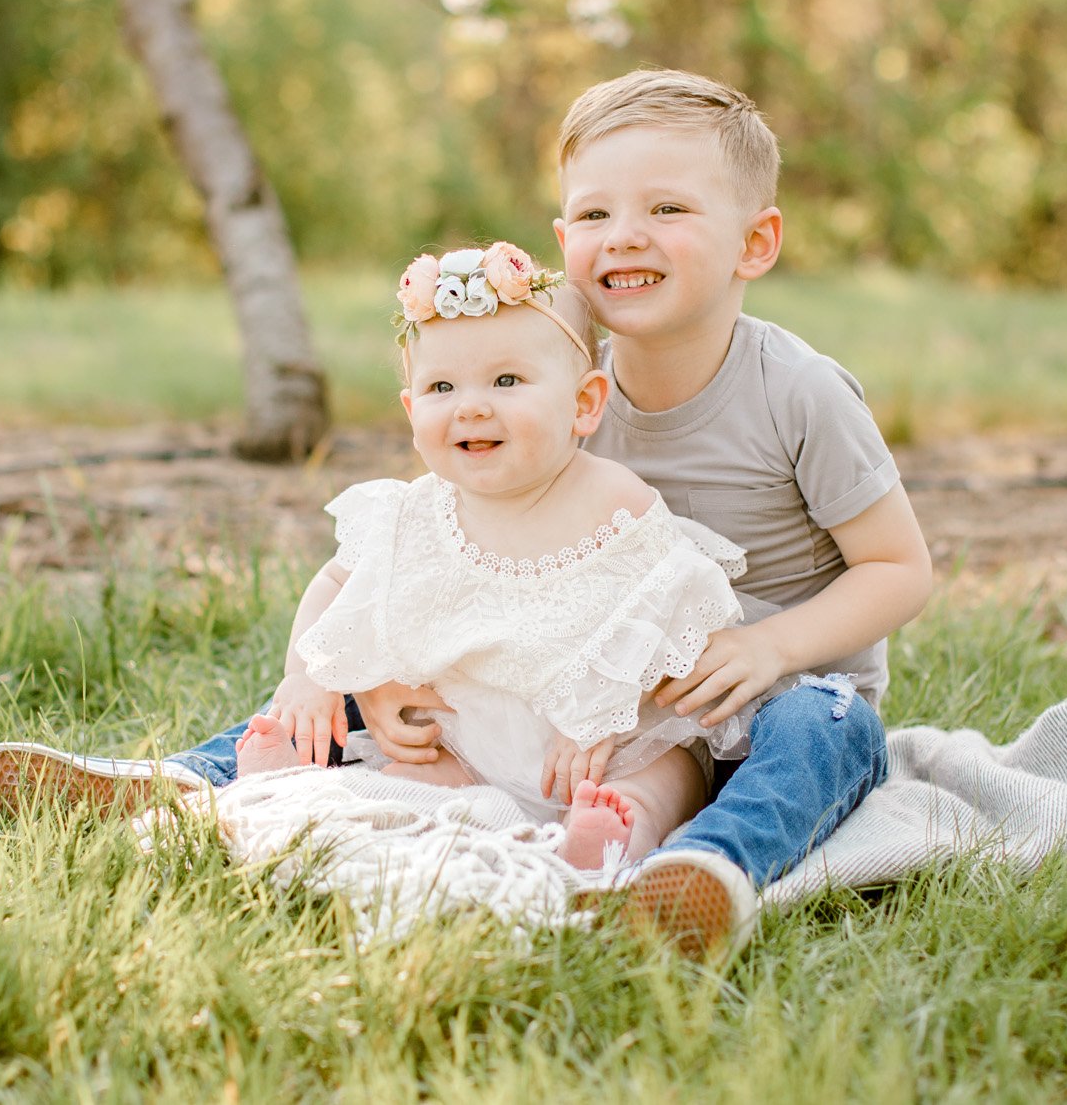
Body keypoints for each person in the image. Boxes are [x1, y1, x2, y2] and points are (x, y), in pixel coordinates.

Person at [0, 68, 933, 958]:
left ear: (753, 242)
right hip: (576, 706)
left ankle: (702, 871)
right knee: (345, 682)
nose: (623, 234)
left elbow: (898, 568)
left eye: (666, 208)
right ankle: (186, 782)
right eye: (593, 211)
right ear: (560, 243)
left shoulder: (796, 392)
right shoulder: (549, 376)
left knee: (820, 727)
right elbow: (454, 546)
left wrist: (770, 652)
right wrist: (385, 673)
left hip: (757, 700)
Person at [227, 244, 750, 871]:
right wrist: (307, 677)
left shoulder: (613, 502)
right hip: (464, 743)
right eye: (442, 386)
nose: (471, 405)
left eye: (506, 381)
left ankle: (615, 831)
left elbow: (678, 617)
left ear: (583, 404)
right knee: (409, 775)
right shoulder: (413, 513)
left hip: (601, 747)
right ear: (412, 410)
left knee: (665, 776)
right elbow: (335, 583)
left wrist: (602, 714)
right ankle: (300, 787)